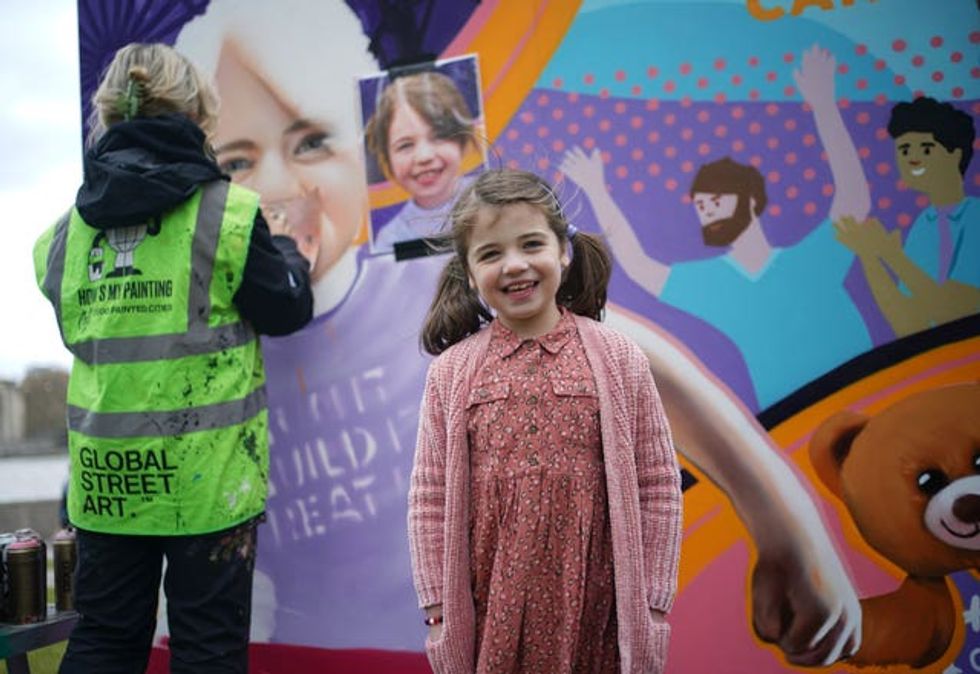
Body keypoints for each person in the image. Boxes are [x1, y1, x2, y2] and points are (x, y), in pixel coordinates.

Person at [32, 43, 313, 673]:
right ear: (199, 115)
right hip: (205, 485)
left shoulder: (61, 238)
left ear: (104, 116)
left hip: (108, 484)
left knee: (104, 636)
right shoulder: (226, 214)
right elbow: (286, 309)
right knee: (207, 649)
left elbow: (84, 327)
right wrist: (290, 257)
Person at [408, 168, 683, 673]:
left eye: (530, 244)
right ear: (469, 273)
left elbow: (658, 482)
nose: (514, 265)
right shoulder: (451, 374)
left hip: (597, 607)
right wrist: (437, 607)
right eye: (491, 254)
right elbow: (430, 497)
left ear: (562, 251)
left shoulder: (618, 358)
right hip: (494, 611)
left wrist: (652, 597)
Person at [560, 45, 873, 409]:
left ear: (752, 201)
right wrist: (598, 191)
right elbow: (641, 266)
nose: (710, 212)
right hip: (798, 418)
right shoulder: (711, 282)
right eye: (703, 206)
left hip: (867, 389)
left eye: (719, 201)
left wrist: (824, 106)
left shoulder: (809, 262)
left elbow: (853, 201)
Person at [175, 0, 379, 314]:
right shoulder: (201, 317)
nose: (276, 187)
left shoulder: (420, 290)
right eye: (236, 163)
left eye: (311, 144)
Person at [835, 96, 979, 336]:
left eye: (926, 148)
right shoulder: (924, 224)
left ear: (955, 154)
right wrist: (870, 257)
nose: (912, 158)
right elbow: (909, 324)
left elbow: (955, 313)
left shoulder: (974, 216)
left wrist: (892, 255)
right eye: (904, 149)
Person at [365, 68, 482, 253]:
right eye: (405, 145)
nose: (424, 156)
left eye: (439, 136)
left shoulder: (492, 201)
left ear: (461, 139)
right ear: (387, 158)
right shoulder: (391, 240)